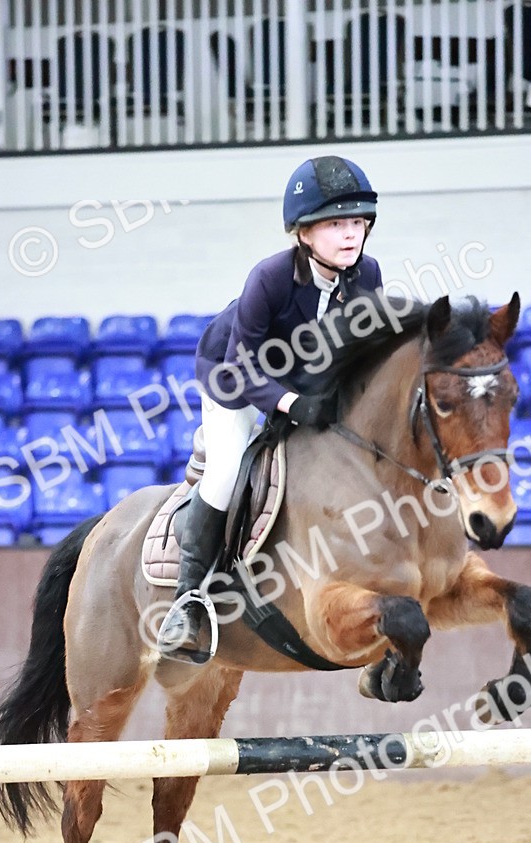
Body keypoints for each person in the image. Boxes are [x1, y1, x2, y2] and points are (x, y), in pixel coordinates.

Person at [157, 155, 383, 662]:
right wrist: (290, 404)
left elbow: (366, 349)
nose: (350, 234)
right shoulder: (270, 278)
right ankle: (188, 602)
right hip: (233, 376)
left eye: (357, 222)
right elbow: (241, 364)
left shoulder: (367, 274)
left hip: (307, 379)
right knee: (226, 471)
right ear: (303, 233)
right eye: (335, 224)